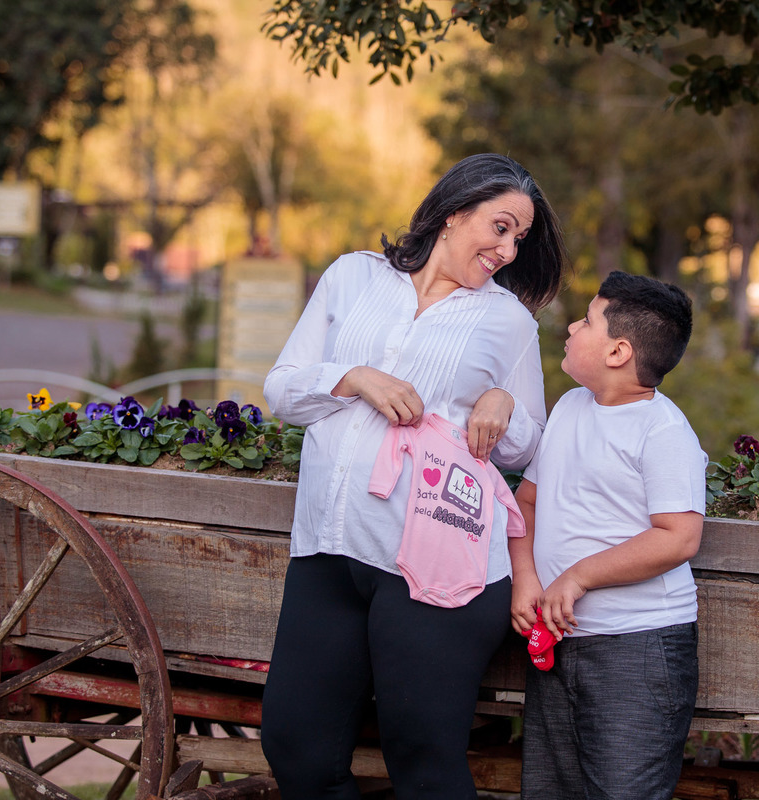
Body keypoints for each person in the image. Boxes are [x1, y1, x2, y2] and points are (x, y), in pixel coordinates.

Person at [259, 153, 567, 800]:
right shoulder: (352, 277)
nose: (509, 249)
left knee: (423, 761)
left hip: (435, 564)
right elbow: (284, 391)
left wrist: (502, 406)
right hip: (329, 545)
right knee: (296, 750)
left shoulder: (506, 320)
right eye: (502, 226)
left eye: (520, 238)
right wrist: (354, 377)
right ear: (455, 212)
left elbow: (525, 444)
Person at [510, 270, 706, 800]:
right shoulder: (571, 408)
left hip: (637, 650)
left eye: (587, 318)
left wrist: (577, 576)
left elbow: (679, 537)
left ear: (618, 351)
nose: (572, 326)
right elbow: (526, 503)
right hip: (559, 641)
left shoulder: (661, 430)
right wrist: (526, 578)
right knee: (552, 790)